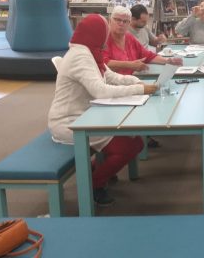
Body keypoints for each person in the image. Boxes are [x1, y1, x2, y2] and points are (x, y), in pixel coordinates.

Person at [47, 14, 158, 207]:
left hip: (87, 116)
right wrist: (139, 89)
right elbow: (100, 91)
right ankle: (93, 184)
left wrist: (136, 81)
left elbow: (110, 75)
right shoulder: (80, 57)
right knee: (131, 146)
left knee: (132, 141)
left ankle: (95, 171)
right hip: (70, 123)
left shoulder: (88, 50)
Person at [104, 6, 182, 76]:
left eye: (125, 21)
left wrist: (168, 61)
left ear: (129, 23)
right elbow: (103, 63)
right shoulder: (104, 39)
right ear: (110, 20)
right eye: (117, 20)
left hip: (132, 80)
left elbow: (147, 55)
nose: (121, 23)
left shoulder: (129, 37)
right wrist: (130, 65)